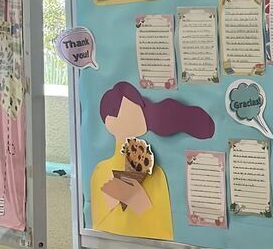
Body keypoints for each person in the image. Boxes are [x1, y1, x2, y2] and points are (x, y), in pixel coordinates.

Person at [90, 81, 214, 240]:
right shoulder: (101, 171)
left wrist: (138, 201)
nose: (141, 115)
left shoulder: (156, 173)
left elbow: (165, 231)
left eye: (140, 109)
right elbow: (98, 222)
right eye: (132, 111)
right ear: (110, 122)